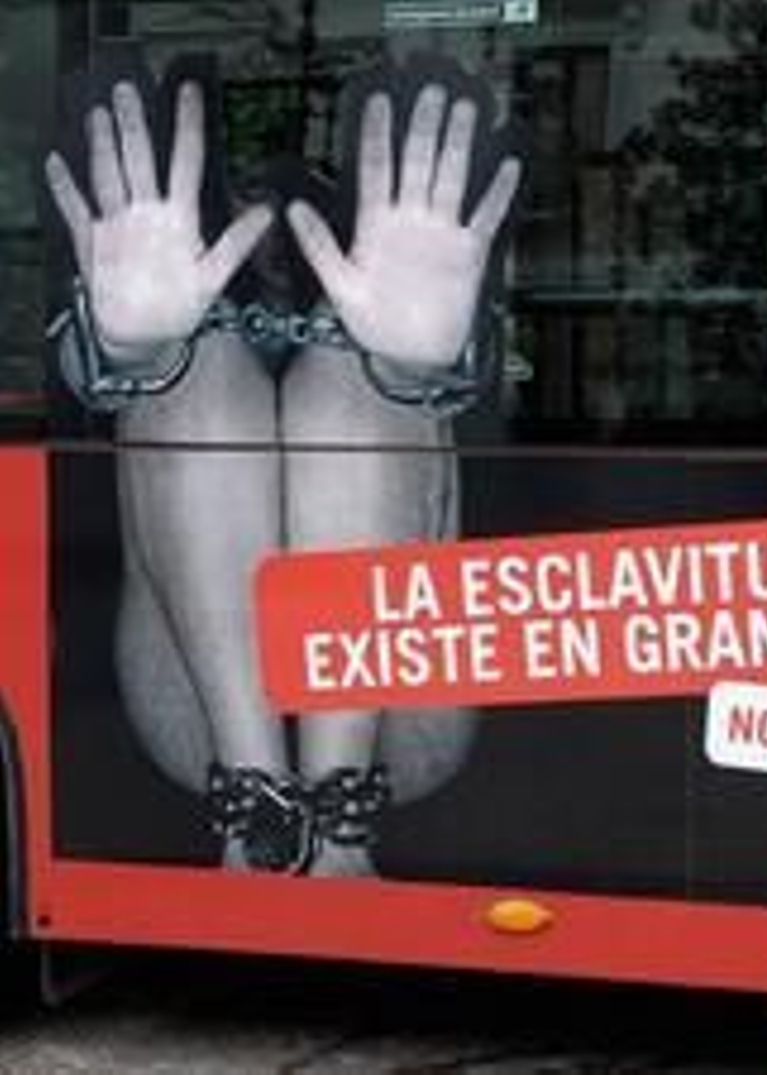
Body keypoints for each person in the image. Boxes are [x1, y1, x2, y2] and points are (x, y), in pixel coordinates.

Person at [44, 60, 521, 876]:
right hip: (205, 715)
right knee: (199, 365)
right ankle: (260, 815)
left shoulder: (397, 283)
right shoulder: (173, 283)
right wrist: (138, 353)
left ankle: (334, 827)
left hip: (398, 720)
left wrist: (412, 372)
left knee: (349, 372)